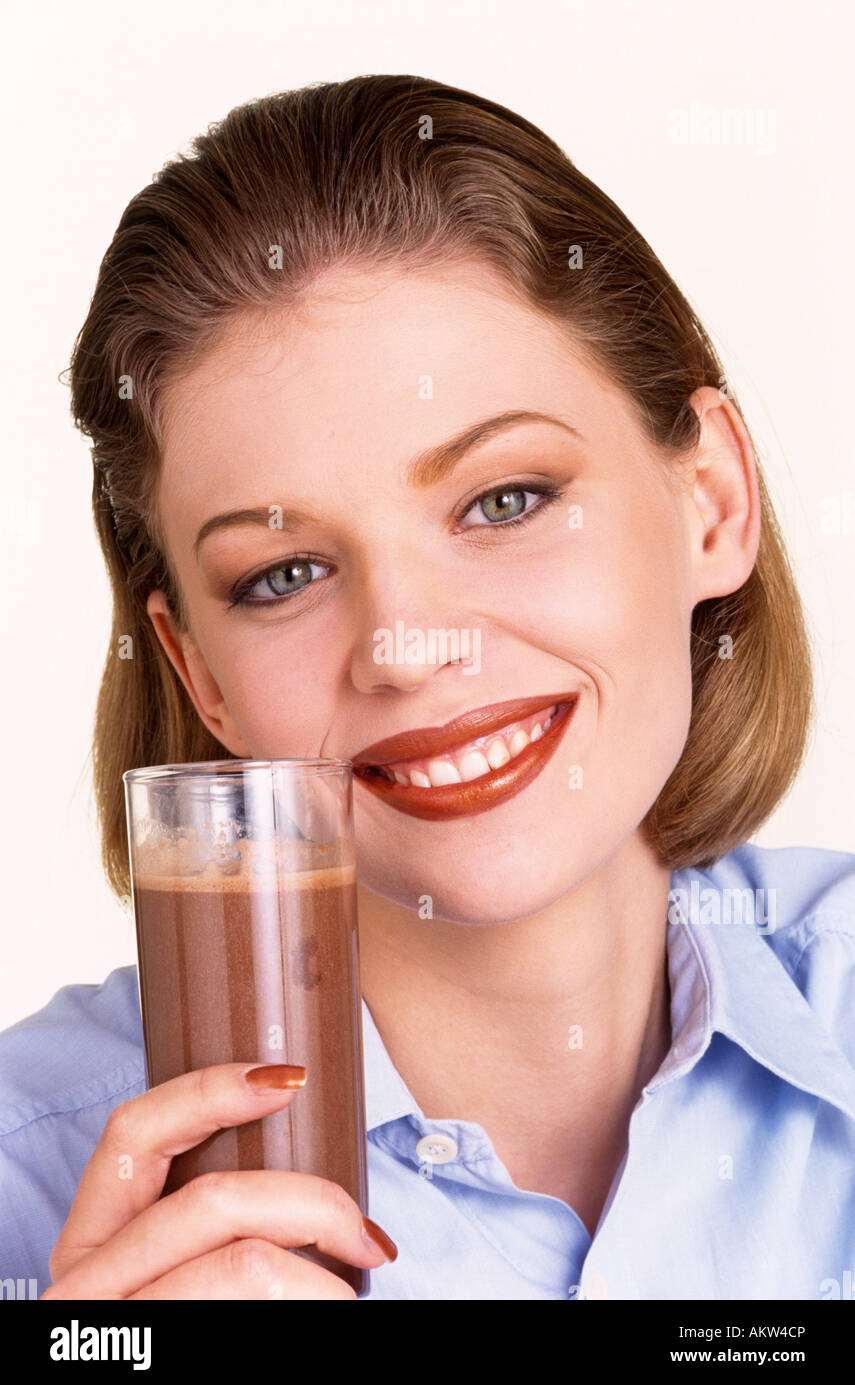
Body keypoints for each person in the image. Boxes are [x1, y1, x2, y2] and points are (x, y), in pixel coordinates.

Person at [1, 75, 853, 1302]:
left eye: (504, 500)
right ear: (199, 673)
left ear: (710, 498)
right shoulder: (24, 1184)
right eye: (284, 573)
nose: (404, 646)